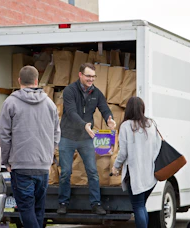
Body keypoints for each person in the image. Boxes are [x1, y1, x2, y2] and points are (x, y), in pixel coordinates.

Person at [0, 66, 61, 228]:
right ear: (36, 81)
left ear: (19, 81)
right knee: (38, 208)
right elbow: (56, 134)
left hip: (21, 165)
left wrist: (6, 161)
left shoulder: (10, 103)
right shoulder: (50, 104)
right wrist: (48, 154)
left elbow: (4, 135)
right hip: (43, 166)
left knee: (26, 208)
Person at [57, 63, 116, 215]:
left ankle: (96, 203)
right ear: (80, 75)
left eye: (93, 76)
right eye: (88, 76)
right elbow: (70, 112)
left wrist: (110, 118)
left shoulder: (96, 92)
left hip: (86, 138)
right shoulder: (70, 90)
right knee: (65, 171)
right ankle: (63, 202)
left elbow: (104, 108)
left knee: (92, 171)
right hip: (68, 136)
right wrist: (84, 125)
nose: (91, 79)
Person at [111, 96, 162, 228]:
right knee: (141, 205)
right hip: (151, 175)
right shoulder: (151, 124)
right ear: (142, 108)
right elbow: (158, 147)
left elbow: (123, 152)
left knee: (138, 206)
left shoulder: (126, 126)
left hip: (134, 175)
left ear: (128, 110)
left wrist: (116, 167)